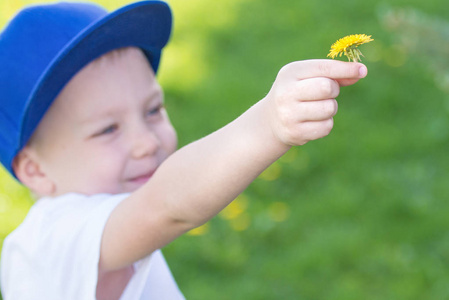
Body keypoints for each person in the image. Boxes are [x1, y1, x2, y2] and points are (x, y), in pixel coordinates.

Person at [0, 1, 368, 299]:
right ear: (36, 171)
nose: (147, 142)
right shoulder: (48, 242)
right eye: (108, 129)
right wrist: (267, 125)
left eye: (153, 110)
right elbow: (166, 207)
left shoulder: (105, 216)